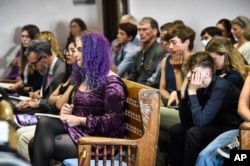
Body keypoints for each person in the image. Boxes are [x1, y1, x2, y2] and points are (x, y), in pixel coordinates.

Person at [28, 31, 127, 165]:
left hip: (100, 142)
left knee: (35, 144)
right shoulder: (87, 77)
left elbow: (113, 122)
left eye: (80, 50)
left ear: (93, 54)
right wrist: (69, 111)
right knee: (45, 122)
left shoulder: (112, 85)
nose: (75, 54)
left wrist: (80, 120)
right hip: (83, 131)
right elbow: (91, 107)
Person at [168, 51, 243, 166]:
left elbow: (200, 122)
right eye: (188, 72)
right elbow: (186, 121)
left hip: (228, 129)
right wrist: (183, 93)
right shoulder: (199, 85)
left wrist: (192, 92)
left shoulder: (220, 88)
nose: (188, 76)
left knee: (194, 133)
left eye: (192, 72)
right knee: (176, 130)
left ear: (207, 74)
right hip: (211, 125)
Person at [17, 39, 76, 161]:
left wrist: (44, 101)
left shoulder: (67, 72)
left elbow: (58, 103)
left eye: (74, 50)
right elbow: (51, 99)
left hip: (68, 123)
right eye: (68, 50)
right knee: (26, 128)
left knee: (30, 136)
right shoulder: (70, 73)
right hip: (59, 118)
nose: (68, 54)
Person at [195, 36, 248, 165]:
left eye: (212, 59)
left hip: (230, 124)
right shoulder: (218, 75)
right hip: (242, 126)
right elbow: (242, 107)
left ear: (225, 56)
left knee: (195, 132)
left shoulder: (232, 77)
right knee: (206, 155)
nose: (210, 64)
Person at [16, 39, 66, 114]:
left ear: (45, 57)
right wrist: (33, 101)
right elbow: (45, 97)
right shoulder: (46, 68)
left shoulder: (61, 71)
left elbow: (57, 103)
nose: (33, 67)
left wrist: (38, 103)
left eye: (34, 64)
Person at [127, 16, 165, 88]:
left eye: (145, 29)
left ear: (154, 31)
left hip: (149, 91)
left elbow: (152, 80)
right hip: (138, 89)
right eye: (139, 30)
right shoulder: (140, 51)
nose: (141, 33)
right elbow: (133, 75)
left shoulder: (160, 51)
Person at [6, 25, 42, 96]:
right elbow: (25, 80)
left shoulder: (40, 57)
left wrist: (22, 87)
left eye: (27, 37)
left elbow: (37, 86)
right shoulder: (24, 55)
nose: (24, 39)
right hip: (22, 94)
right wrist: (19, 84)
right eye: (22, 36)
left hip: (32, 96)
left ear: (34, 39)